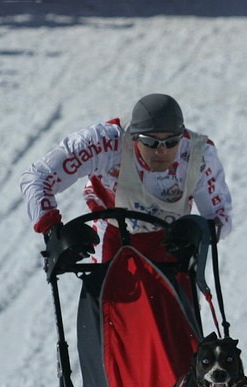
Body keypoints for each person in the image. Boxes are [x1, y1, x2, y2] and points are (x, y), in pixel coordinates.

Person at [20, 93, 232, 262]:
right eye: (150, 142)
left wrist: (199, 232)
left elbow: (220, 218)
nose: (161, 151)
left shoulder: (198, 154)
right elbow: (37, 177)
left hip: (171, 242)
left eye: (171, 142)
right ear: (133, 137)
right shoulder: (106, 142)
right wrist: (52, 230)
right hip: (112, 235)